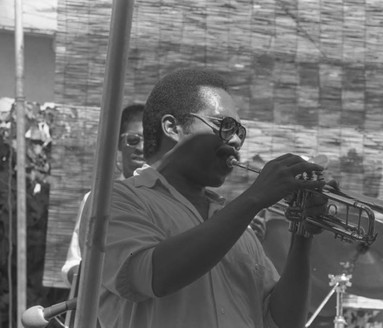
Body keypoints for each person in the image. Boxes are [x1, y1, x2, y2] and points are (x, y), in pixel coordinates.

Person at [97, 68, 327, 328]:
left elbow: (283, 323)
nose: (236, 140)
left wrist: (302, 235)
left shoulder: (237, 228)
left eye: (241, 131)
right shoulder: (117, 199)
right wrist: (254, 198)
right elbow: (153, 276)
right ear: (173, 127)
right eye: (223, 126)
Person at [61, 103, 145, 286]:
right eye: (133, 139)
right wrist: (90, 278)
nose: (141, 147)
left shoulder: (166, 200)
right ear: (118, 144)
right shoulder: (97, 200)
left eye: (150, 141)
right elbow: (73, 263)